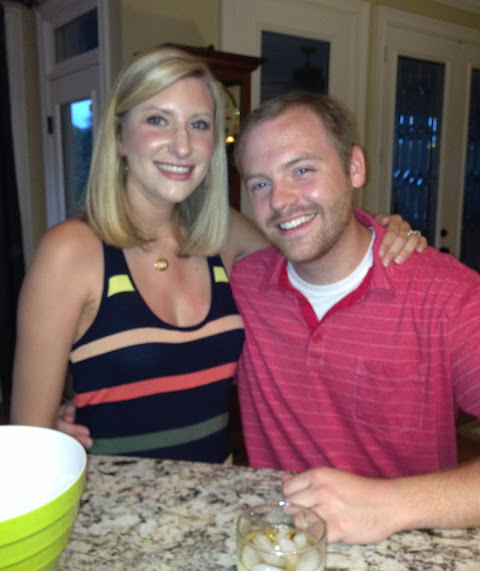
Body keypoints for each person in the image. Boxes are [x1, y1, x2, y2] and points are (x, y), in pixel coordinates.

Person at [13, 45, 424, 463]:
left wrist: (379, 229)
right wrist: (55, 425)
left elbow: (316, 250)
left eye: (199, 124)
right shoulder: (70, 252)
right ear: (119, 137)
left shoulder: (224, 235)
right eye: (158, 120)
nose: (182, 146)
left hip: (217, 494)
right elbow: (27, 442)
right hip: (114, 501)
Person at [230, 90, 480, 544]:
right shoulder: (243, 286)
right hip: (283, 547)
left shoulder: (448, 297)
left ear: (355, 167)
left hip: (410, 550)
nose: (280, 200)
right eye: (260, 184)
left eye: (302, 170)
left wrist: (387, 506)